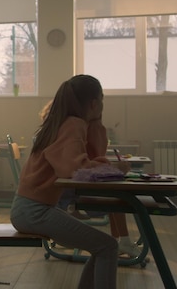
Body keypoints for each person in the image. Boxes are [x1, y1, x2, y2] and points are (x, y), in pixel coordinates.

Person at [11, 74, 130, 289]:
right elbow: (75, 170)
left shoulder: (66, 122)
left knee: (104, 246)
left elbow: (91, 157)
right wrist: (112, 168)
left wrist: (96, 125)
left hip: (32, 209)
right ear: (94, 103)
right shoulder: (72, 124)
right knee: (108, 247)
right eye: (102, 100)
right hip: (34, 211)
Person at [40, 99, 141, 259]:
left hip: (68, 190)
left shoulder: (56, 130)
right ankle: (123, 240)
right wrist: (97, 123)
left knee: (116, 191)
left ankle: (122, 240)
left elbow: (91, 160)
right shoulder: (72, 130)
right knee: (117, 194)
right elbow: (93, 159)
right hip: (68, 195)